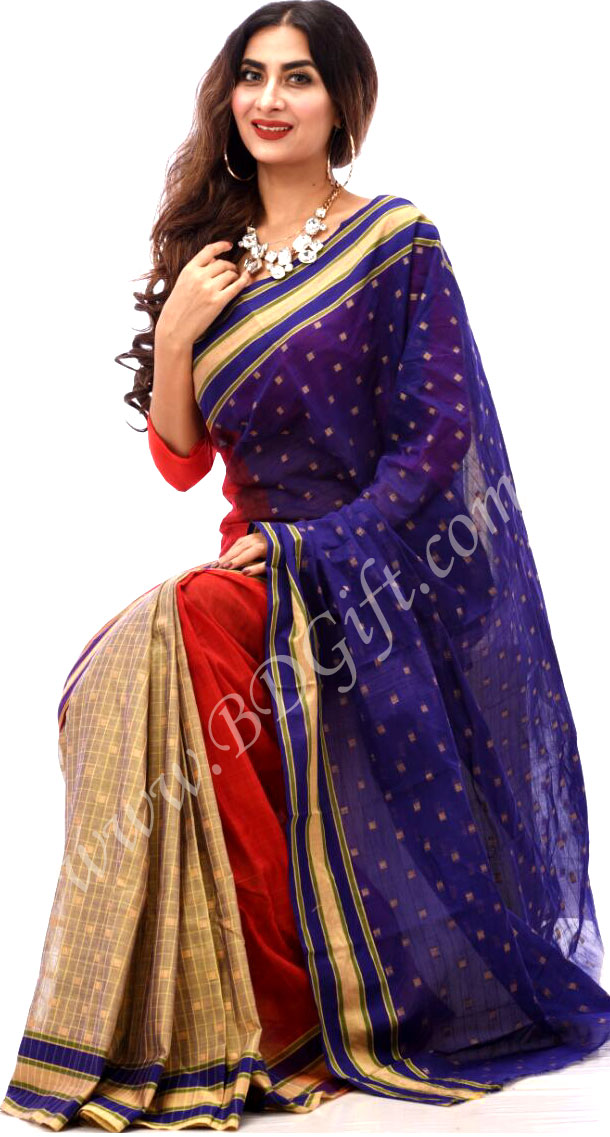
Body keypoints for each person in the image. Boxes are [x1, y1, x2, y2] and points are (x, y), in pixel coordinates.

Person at [3, 1, 610, 1130]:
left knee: (182, 622)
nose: (269, 98)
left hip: (378, 579)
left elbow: (438, 441)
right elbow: (182, 459)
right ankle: (220, 1003)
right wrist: (177, 331)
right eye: (252, 75)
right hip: (260, 577)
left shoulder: (395, 241)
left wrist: (314, 546)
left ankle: (283, 1012)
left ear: (343, 103)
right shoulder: (211, 262)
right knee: (116, 673)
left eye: (298, 77)